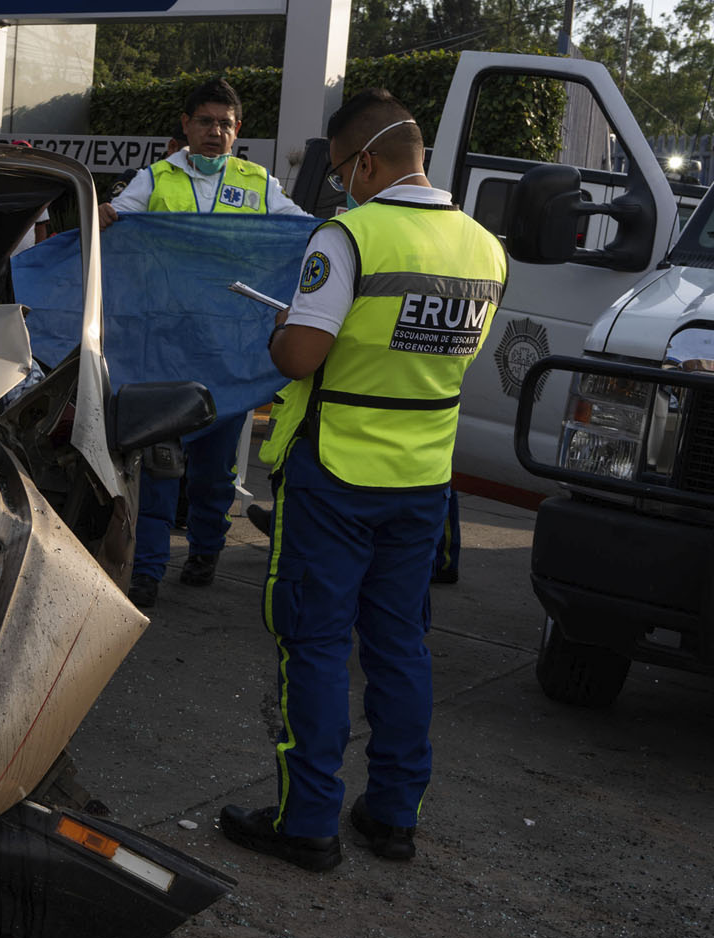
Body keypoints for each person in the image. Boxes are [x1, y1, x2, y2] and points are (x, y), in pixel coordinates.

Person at [217, 89, 508, 872]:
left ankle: (306, 822)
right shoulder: (485, 248)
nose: (342, 184)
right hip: (423, 478)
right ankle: (392, 816)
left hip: (336, 473)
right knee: (400, 645)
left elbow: (301, 358)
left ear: (368, 163)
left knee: (311, 643)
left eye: (344, 170)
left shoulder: (347, 237)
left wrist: (285, 330)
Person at [97, 78, 308, 609]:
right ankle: (145, 571)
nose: (216, 132)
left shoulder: (259, 183)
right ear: (185, 124)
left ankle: (206, 550)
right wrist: (105, 216)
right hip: (165, 347)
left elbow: (305, 231)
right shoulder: (154, 179)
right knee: (162, 461)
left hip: (229, 351)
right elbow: (116, 223)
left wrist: (354, 229)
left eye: (226, 124)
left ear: (238, 131)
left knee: (215, 470)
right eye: (206, 121)